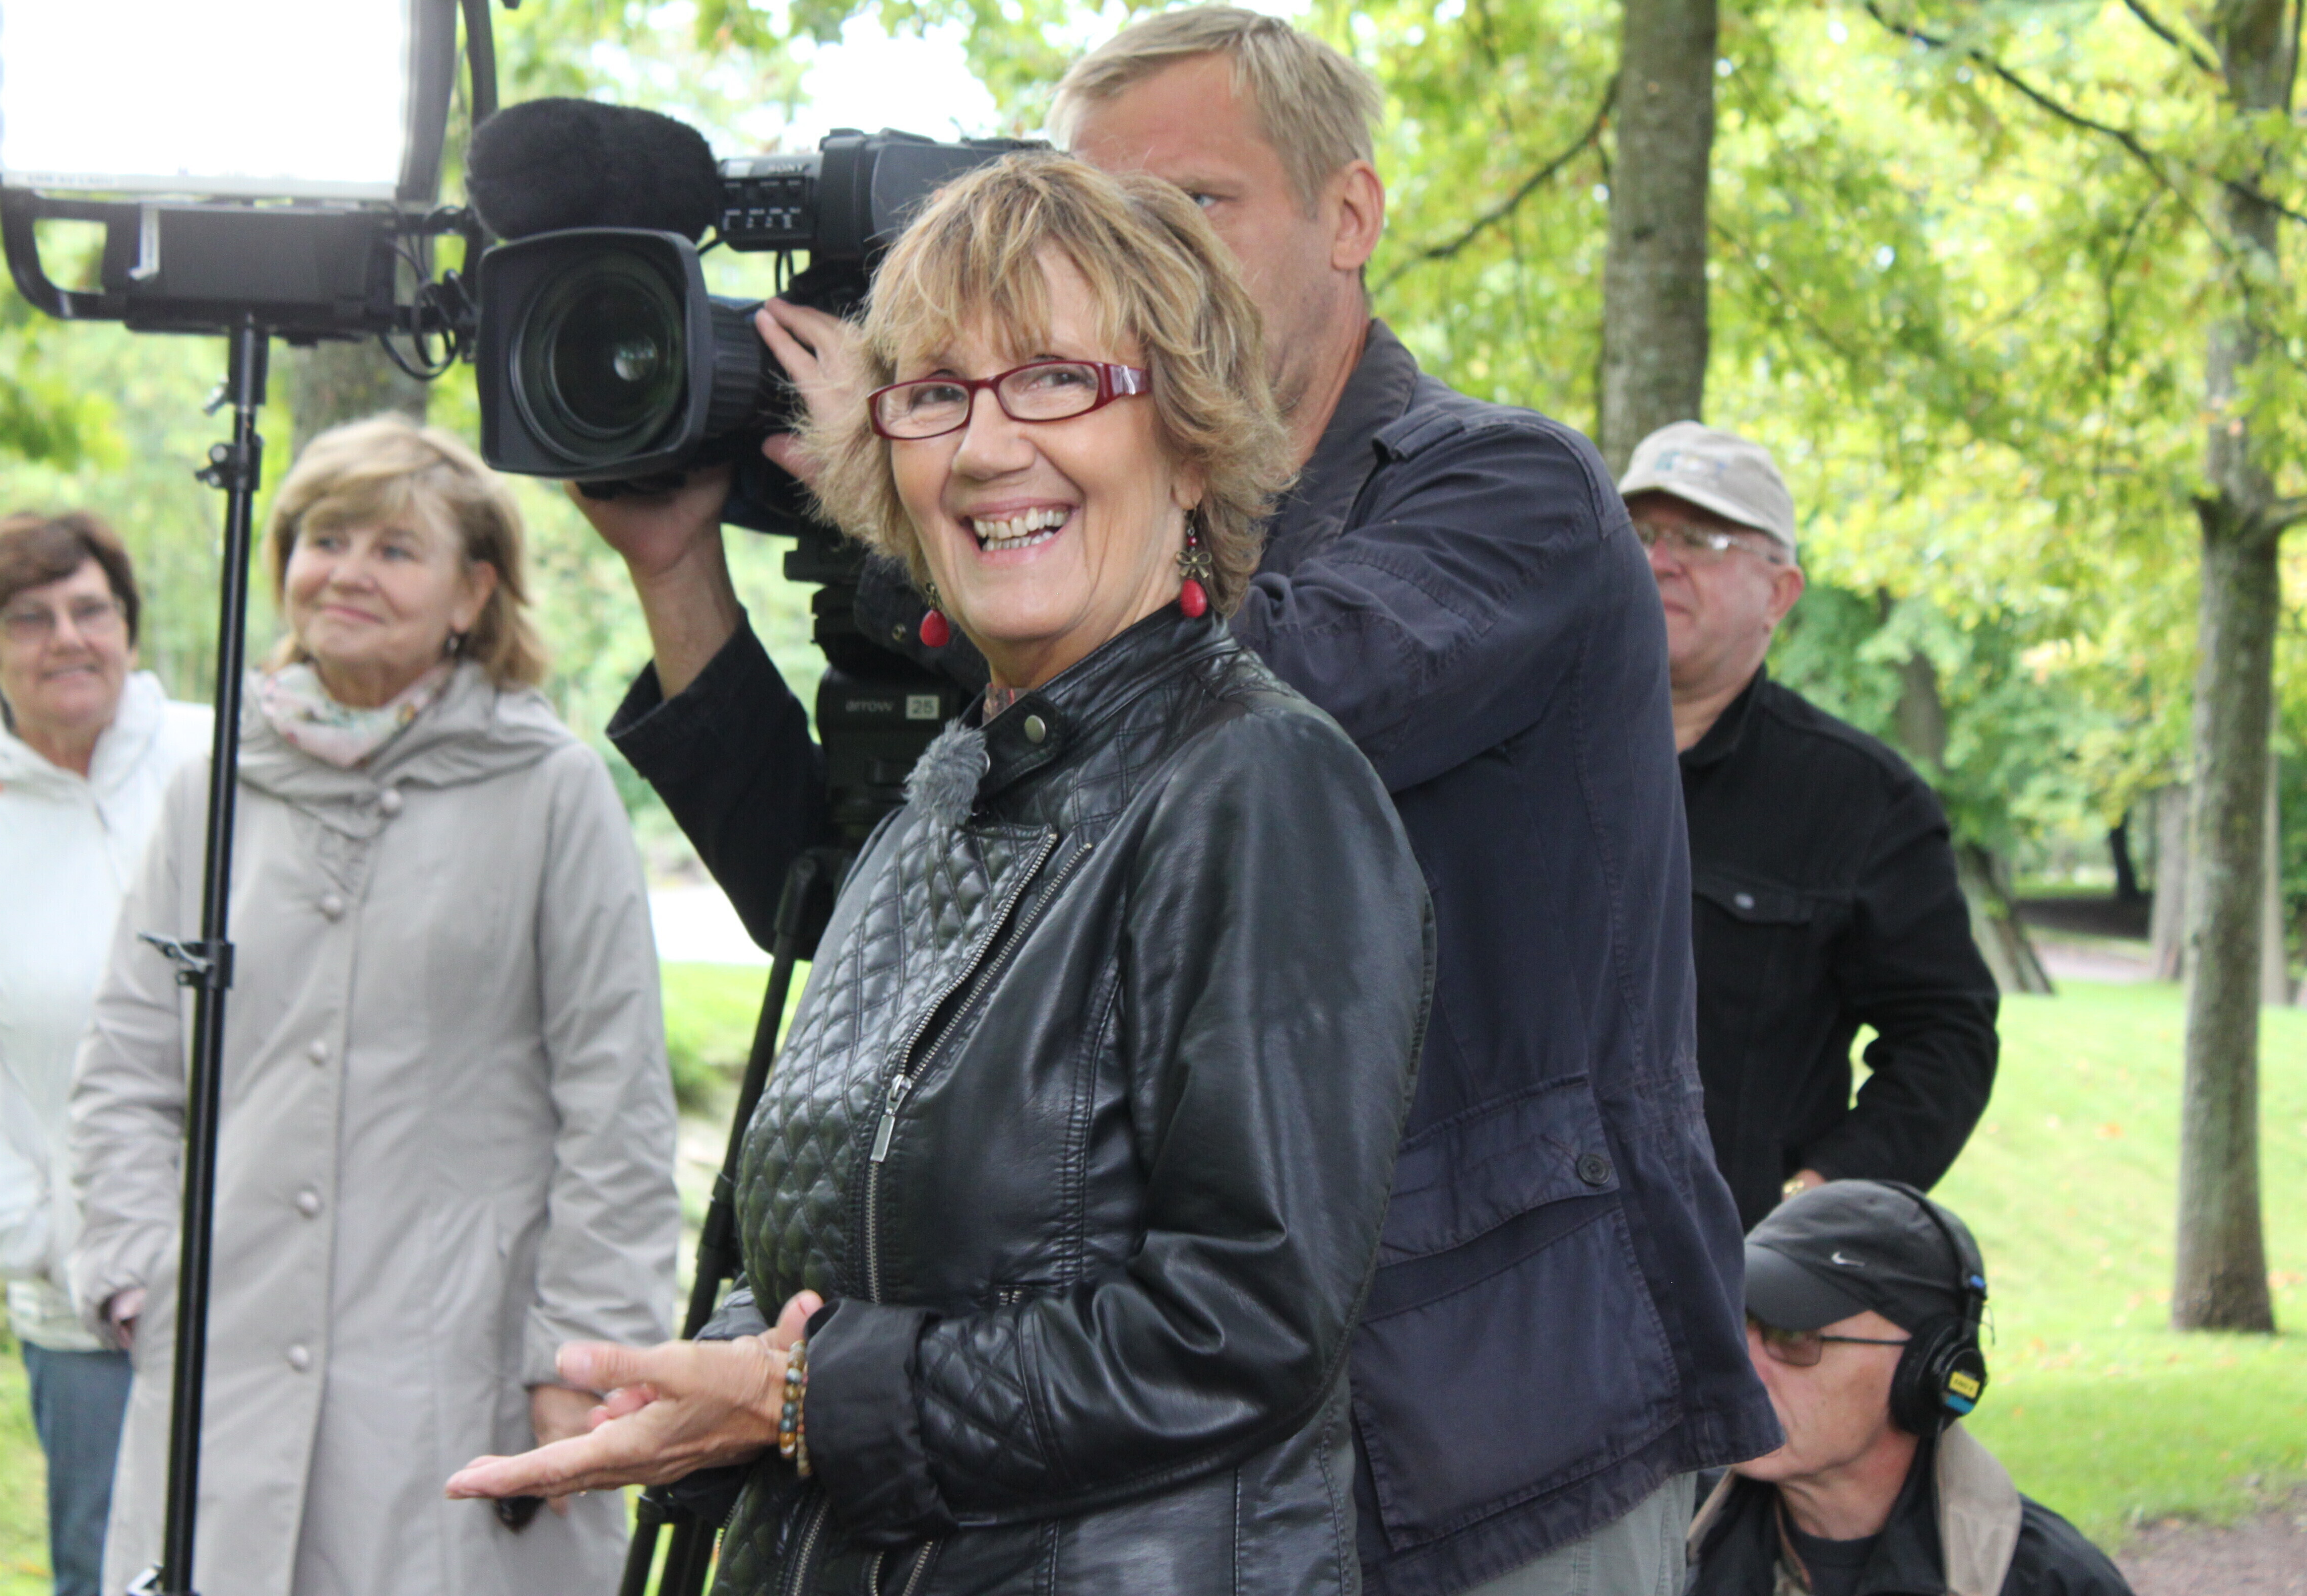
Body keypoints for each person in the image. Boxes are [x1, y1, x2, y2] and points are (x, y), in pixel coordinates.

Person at [585, 13, 1777, 1593]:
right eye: (1097, 210)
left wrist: (950, 488)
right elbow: (846, 903)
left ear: (1349, 215)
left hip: (1494, 1419)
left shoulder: (1508, 496)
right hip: (1126, 1469)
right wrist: (682, 567)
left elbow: (1215, 691)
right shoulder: (1029, 624)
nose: (1137, 249)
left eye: (1190, 204)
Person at [447, 153, 1434, 1594]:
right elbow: (846, 1257)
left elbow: (1240, 1327)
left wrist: (800, 1398)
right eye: (931, 395)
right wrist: (715, 1383)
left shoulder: (1259, 786)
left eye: (1056, 381)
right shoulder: (943, 790)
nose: (982, 448)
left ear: (1191, 440)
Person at [66, 416, 678, 1596]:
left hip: (460, 1374)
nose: (347, 572)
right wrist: (143, 1274)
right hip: (226, 1368)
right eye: (325, 539)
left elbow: (617, 1105)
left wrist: (576, 1351)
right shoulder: (213, 788)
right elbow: (128, 1063)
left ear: (474, 591)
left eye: (395, 549)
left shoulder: (550, 791)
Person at [0, 513, 210, 1596]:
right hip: (93, 1324)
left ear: (129, 626)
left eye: (91, 609)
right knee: (118, 1574)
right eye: (30, 619)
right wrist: (59, 1244)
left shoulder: (222, 761)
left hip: (292, 1275)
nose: (68, 637)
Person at [1621, 421, 2001, 1230]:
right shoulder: (1517, 755)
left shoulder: (1864, 802)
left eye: (1702, 538)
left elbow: (1946, 1038)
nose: (1661, 559)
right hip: (1499, 1273)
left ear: (1781, 594)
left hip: (1724, 1275)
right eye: (1641, 533)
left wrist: (1814, 1204)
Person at [1688, 1180, 2134, 1596]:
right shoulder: (1668, 1540)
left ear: (1925, 1371)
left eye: (1792, 1335)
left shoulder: (2054, 1583)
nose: (1740, 1366)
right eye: (1736, 1323)